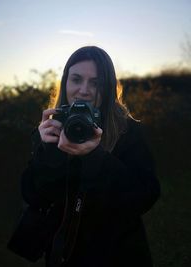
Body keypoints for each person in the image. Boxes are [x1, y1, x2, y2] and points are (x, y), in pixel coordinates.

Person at [20, 46, 160, 267]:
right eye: (76, 79)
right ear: (65, 82)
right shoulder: (52, 128)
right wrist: (46, 151)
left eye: (95, 83)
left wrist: (97, 158)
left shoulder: (127, 130)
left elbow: (145, 196)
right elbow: (32, 195)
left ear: (108, 89)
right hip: (64, 255)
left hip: (117, 255)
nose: (84, 90)